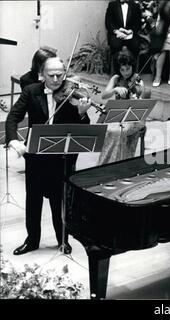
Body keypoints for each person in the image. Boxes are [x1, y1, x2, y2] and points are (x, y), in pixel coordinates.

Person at [5, 57, 91, 255]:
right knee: (33, 201)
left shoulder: (72, 93)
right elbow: (13, 117)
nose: (56, 79)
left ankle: (63, 239)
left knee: (59, 202)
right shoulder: (31, 91)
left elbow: (82, 130)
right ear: (42, 75)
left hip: (61, 158)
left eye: (60, 75)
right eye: (51, 75)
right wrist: (13, 140)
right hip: (36, 156)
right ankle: (32, 240)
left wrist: (81, 114)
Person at [105, 0, 142, 70]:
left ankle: (132, 71)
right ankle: (117, 71)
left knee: (135, 45)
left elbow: (138, 23)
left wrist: (130, 31)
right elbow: (108, 22)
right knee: (116, 45)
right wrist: (117, 32)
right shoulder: (112, 5)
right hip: (116, 33)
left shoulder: (135, 6)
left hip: (130, 34)